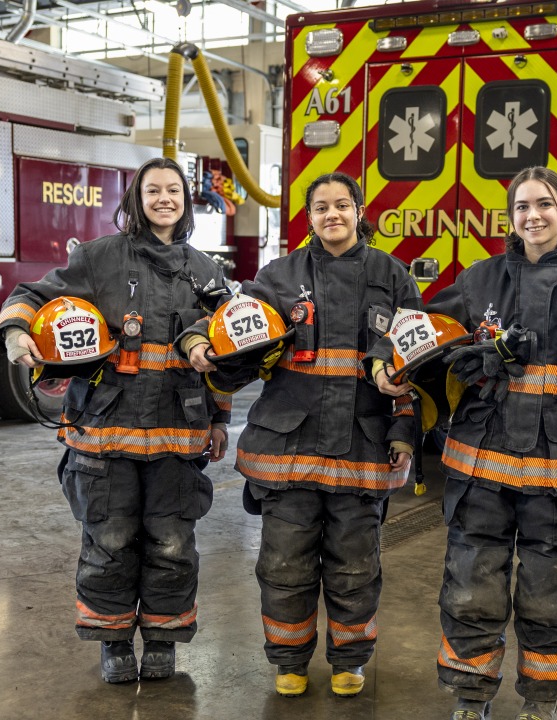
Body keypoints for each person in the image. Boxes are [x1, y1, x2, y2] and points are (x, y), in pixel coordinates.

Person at [389, 167, 557, 720]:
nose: (534, 215)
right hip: (481, 464)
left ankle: (541, 699)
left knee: (549, 586)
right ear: (510, 218)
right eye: (523, 206)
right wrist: (390, 365)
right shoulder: (478, 281)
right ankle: (470, 694)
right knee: (471, 581)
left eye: (545, 204)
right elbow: (423, 333)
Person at [182, 172, 421, 698]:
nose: (331, 215)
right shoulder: (279, 276)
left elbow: (412, 362)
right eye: (320, 208)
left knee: (355, 570)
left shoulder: (393, 276)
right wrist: (202, 340)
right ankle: (288, 661)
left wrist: (404, 436)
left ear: (360, 211)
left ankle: (349, 661)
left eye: (341, 205)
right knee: (284, 566)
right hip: (287, 454)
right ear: (309, 217)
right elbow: (233, 323)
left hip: (363, 449)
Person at [0, 156, 230, 684]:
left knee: (172, 544)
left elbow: (224, 353)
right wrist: (16, 333)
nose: (164, 199)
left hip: (178, 437)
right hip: (103, 437)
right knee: (110, 541)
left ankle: (165, 640)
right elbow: (30, 295)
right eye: (153, 191)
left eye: (173, 190)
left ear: (186, 201)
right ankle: (114, 640)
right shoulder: (98, 259)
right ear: (136, 199)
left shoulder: (205, 270)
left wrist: (219, 420)